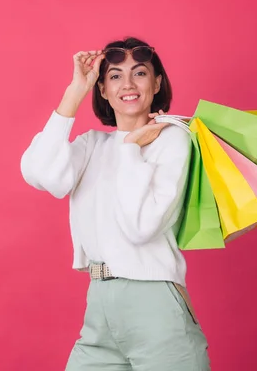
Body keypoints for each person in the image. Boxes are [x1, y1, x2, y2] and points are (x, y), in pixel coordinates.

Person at [20, 37, 211, 370]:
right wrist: (76, 90)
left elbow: (141, 227)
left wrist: (130, 148)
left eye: (139, 73)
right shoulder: (93, 145)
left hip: (154, 304)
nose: (128, 84)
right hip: (99, 304)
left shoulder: (173, 139)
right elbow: (39, 173)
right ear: (103, 89)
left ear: (156, 83)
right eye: (114, 76)